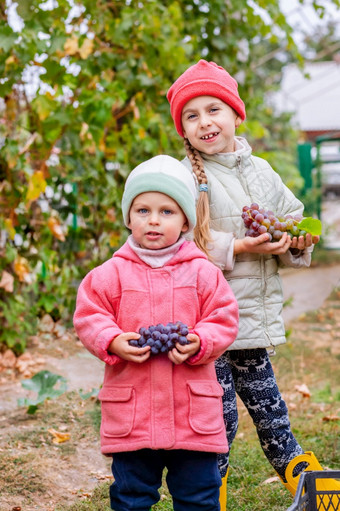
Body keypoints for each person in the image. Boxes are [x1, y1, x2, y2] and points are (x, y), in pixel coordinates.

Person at [166, 59, 338, 506]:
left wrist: (295, 242)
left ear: (235, 114)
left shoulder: (262, 170)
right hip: (207, 328)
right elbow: (178, 246)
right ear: (183, 129)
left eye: (214, 109)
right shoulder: (186, 178)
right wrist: (241, 249)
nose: (205, 121)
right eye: (192, 114)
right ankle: (208, 497)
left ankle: (312, 488)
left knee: (272, 413)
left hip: (251, 324)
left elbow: (294, 222)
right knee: (218, 422)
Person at [73, 154, 239, 511]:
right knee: (131, 496)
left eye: (166, 211)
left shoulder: (204, 273)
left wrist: (201, 341)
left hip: (191, 416)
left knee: (199, 496)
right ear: (128, 217)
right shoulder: (109, 274)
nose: (153, 220)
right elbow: (89, 315)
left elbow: (224, 317)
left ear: (184, 221)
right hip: (134, 416)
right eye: (142, 210)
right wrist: (111, 339)